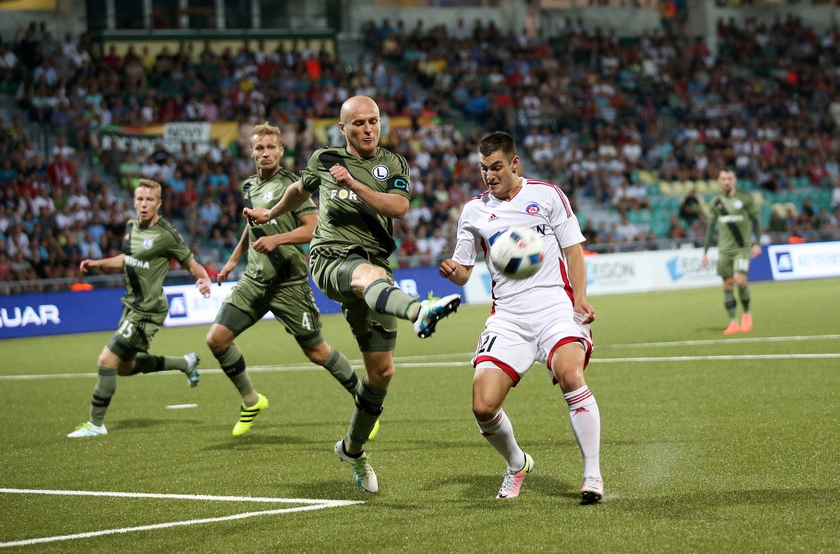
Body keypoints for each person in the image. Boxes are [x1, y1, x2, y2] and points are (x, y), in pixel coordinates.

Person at [244, 95, 460, 493]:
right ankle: (420, 311)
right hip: (330, 257)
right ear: (342, 129)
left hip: (376, 267)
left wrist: (354, 183)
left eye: (373, 121)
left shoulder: (394, 164)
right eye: (358, 123)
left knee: (381, 373)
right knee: (367, 275)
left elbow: (397, 207)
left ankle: (352, 449)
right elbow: (297, 190)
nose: (367, 128)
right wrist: (270, 214)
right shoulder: (324, 158)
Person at [438, 131, 604, 503]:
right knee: (482, 406)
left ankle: (592, 475)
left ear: (515, 163)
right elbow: (465, 270)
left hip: (554, 308)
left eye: (496, 167)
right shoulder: (474, 211)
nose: (489, 175)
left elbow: (573, 250)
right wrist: (454, 272)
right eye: (483, 169)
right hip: (508, 318)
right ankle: (517, 464)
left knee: (570, 374)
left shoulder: (547, 195)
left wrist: (580, 301)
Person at [206, 122, 372, 437]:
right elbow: (252, 225)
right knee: (216, 340)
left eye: (271, 147)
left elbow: (311, 228)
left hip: (289, 284)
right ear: (251, 152)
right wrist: (232, 260)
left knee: (317, 352)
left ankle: (364, 401)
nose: (265, 153)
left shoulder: (294, 185)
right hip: (254, 282)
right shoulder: (249, 186)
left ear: (281, 151)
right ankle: (252, 400)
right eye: (259, 148)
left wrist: (278, 240)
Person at [68, 179, 211, 438]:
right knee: (124, 367)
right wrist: (99, 263)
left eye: (149, 200)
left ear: (159, 203)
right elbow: (127, 259)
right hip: (131, 305)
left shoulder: (167, 234)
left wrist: (202, 278)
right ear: (134, 201)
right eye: (140, 199)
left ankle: (96, 424)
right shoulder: (131, 226)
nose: (143, 205)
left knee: (106, 360)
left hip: (148, 310)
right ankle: (185, 362)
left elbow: (190, 262)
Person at [701, 168, 762, 335]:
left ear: (734, 180)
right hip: (724, 250)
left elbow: (756, 221)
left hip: (742, 248)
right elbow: (710, 228)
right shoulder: (715, 202)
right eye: (723, 179)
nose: (726, 181)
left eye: (729, 178)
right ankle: (733, 322)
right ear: (719, 181)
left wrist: (757, 243)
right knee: (727, 285)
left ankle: (747, 314)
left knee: (740, 280)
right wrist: (705, 252)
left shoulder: (744, 198)